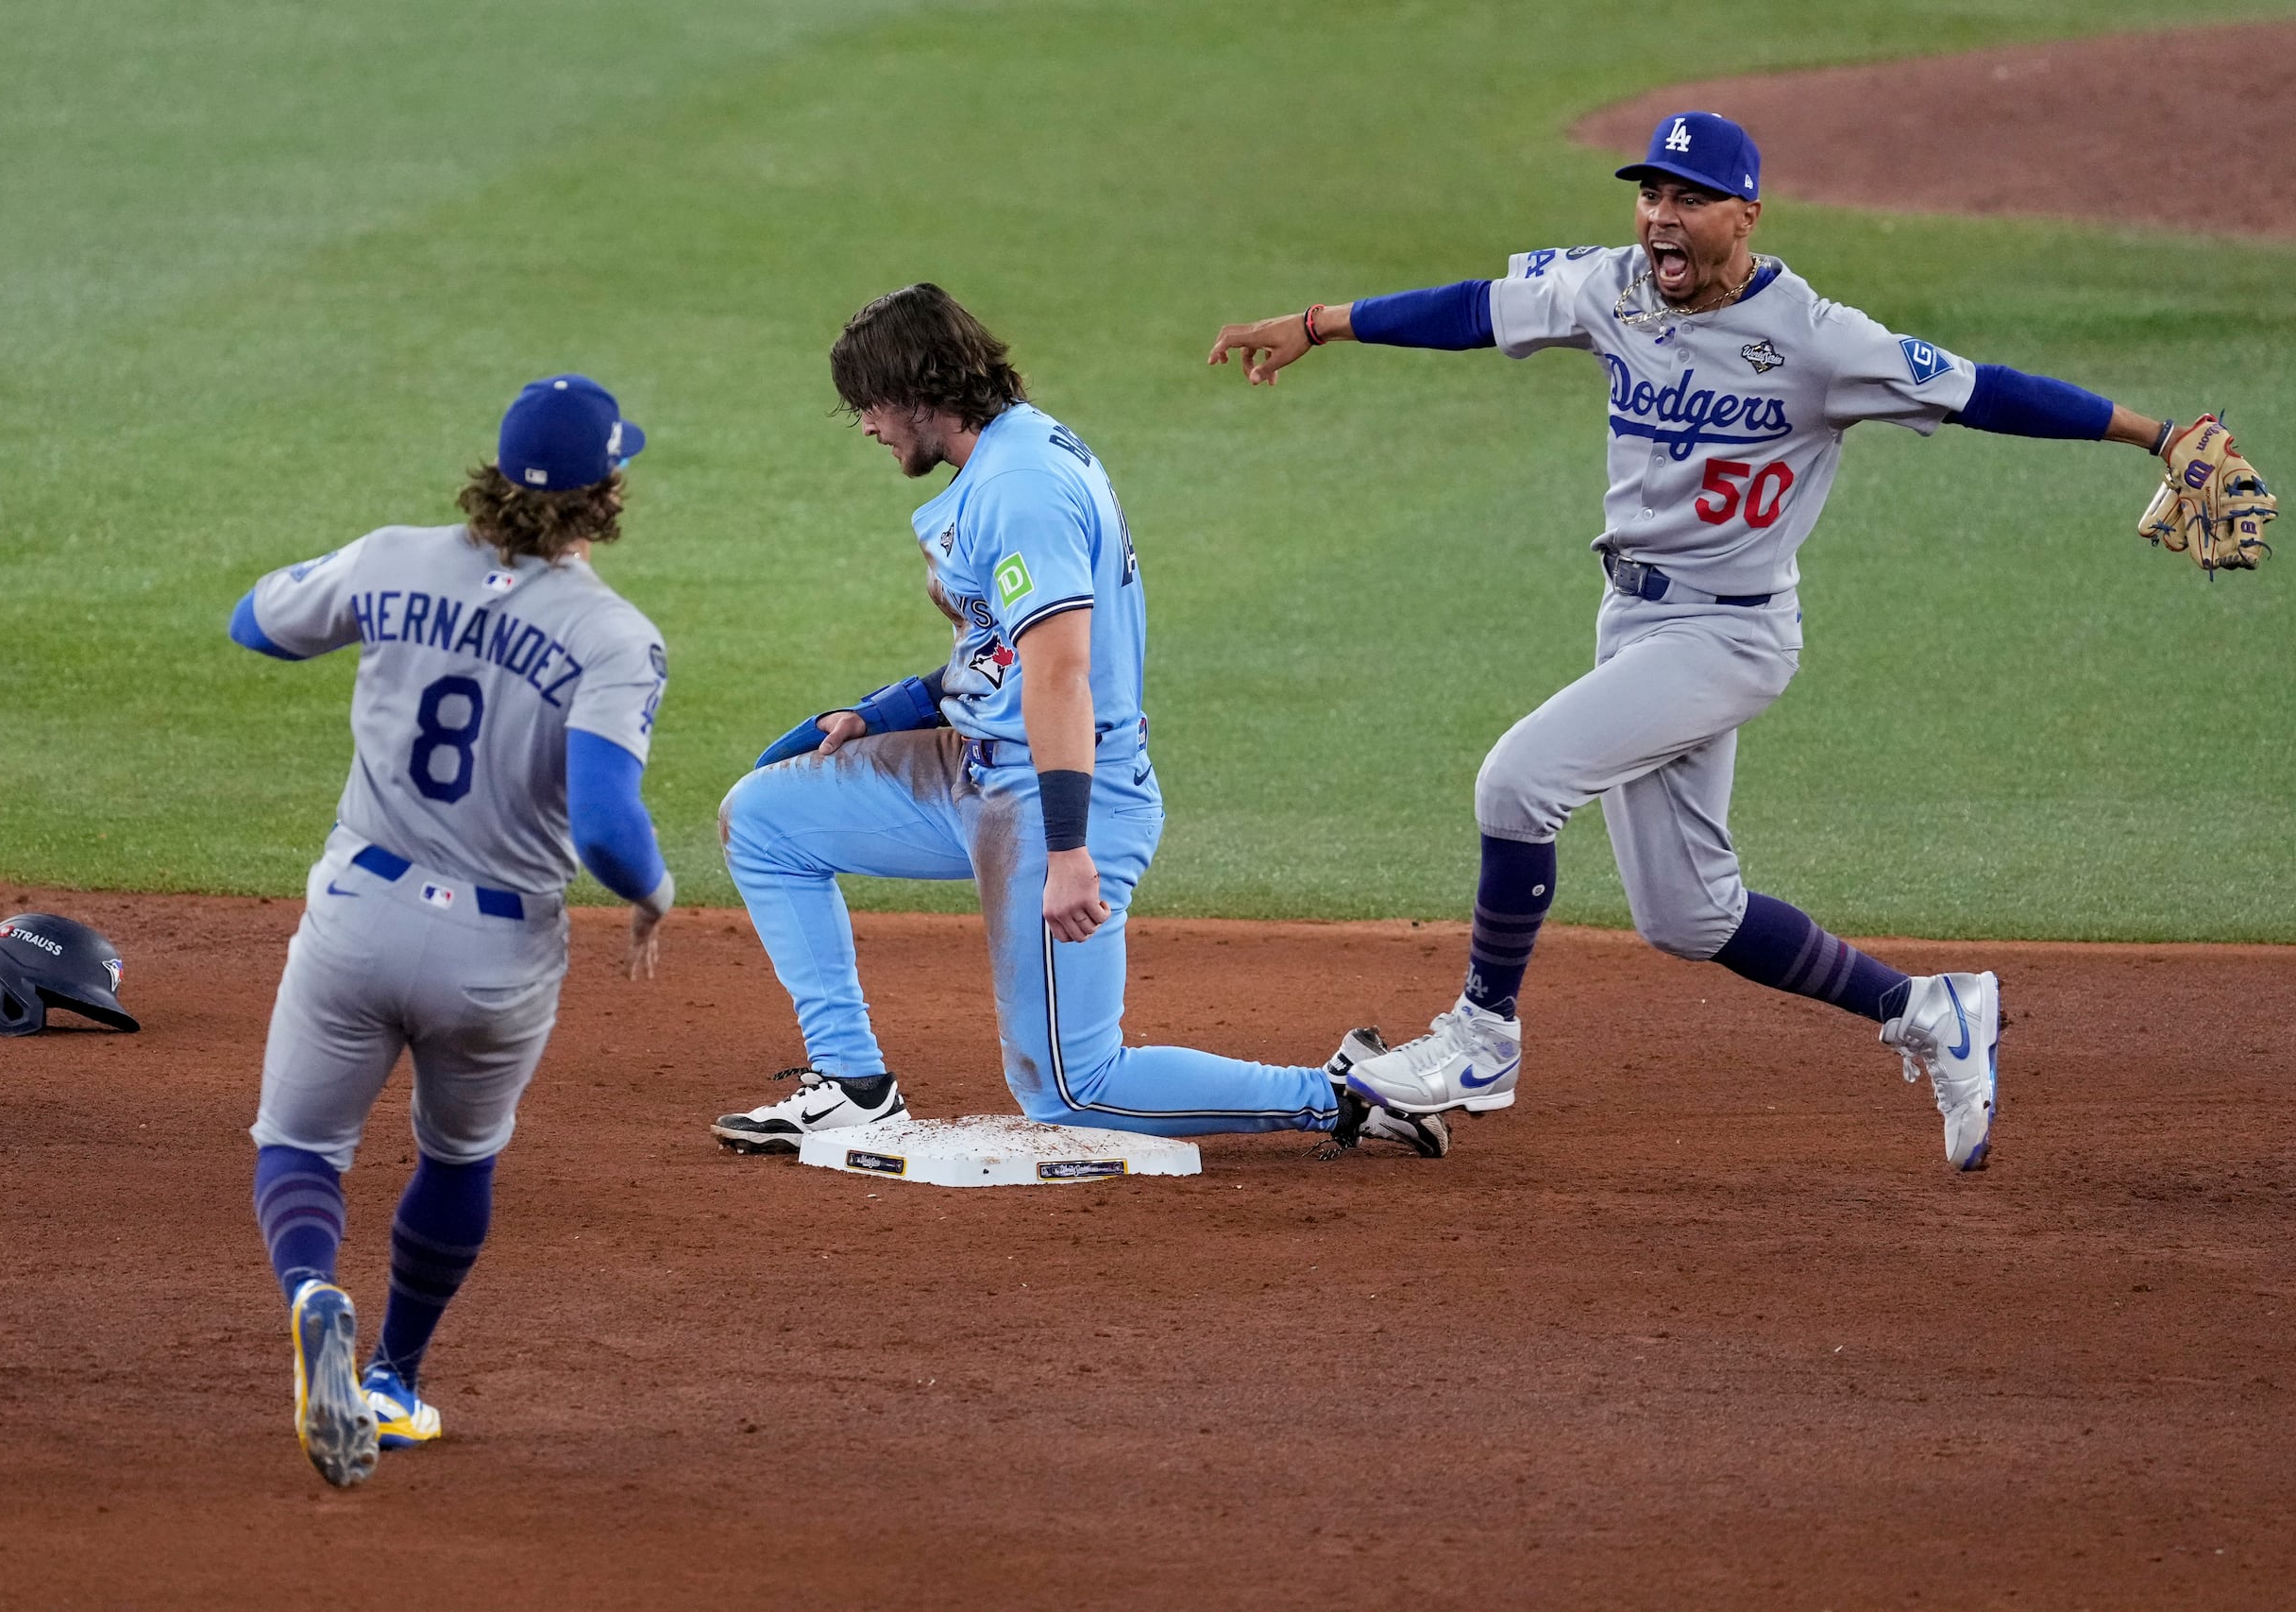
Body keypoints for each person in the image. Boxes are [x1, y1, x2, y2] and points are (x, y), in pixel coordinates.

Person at [1207, 111, 2274, 1171]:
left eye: (1690, 199)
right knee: (1688, 915)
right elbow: (1475, 309)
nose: (1660, 219)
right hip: (1634, 620)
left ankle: (1482, 1037)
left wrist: (2156, 435)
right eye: (1650, 194)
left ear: (1746, 215)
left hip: (1726, 634)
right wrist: (1318, 322)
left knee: (1517, 784)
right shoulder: (1611, 287)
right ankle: (1929, 1010)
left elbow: (1981, 388)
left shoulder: (1818, 338)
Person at [713, 283, 1443, 1158]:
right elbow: (1005, 652)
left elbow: (1061, 675)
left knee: (1069, 1085)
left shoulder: (1019, 488)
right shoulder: (1006, 455)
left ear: (917, 391)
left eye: (870, 403)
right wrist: (882, 712)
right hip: (975, 768)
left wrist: (1067, 850)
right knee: (764, 819)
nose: (867, 425)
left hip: (1056, 794)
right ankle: (852, 1084)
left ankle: (1344, 1096)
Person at [228, 375, 674, 1486]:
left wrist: (384, 599)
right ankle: (392, 1378)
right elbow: (607, 829)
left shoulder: (392, 558)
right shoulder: (614, 636)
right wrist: (655, 892)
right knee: (459, 1154)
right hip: (495, 954)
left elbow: (256, 625)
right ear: (605, 493)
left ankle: (310, 1291)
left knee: (300, 1146)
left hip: (358, 914)